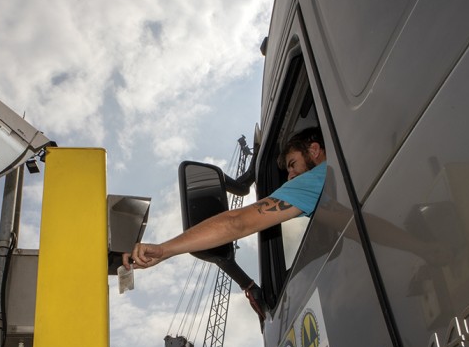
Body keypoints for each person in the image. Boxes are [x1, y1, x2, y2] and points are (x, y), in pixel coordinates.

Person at [122, 127, 327, 318]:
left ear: (315, 150)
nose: (290, 177)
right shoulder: (329, 185)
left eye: (292, 164)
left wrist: (163, 250)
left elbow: (236, 223)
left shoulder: (316, 179)